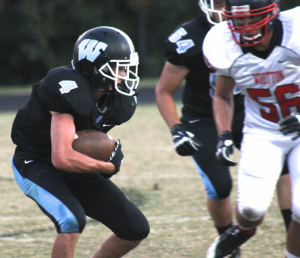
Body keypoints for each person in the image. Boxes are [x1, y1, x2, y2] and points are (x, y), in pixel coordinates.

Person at [156, 0, 291, 257]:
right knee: (219, 186)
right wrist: (176, 129)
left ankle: (292, 235)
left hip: (249, 110)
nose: (222, 7)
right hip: (203, 117)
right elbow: (163, 90)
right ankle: (229, 245)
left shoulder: (268, 29)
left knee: (285, 170)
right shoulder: (189, 38)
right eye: (217, 2)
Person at [11, 26, 150, 258]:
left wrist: (100, 157)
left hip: (74, 166)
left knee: (135, 228)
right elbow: (63, 157)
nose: (124, 75)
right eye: (118, 68)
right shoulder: (68, 87)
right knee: (71, 221)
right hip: (36, 162)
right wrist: (108, 166)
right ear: (94, 68)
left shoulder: (117, 101)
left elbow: (85, 142)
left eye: (126, 69)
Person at [203, 1, 300, 257]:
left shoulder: (295, 32)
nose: (244, 27)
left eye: (250, 19)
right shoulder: (222, 43)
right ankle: (243, 231)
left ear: (271, 15)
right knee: (251, 210)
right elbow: (222, 96)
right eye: (239, 20)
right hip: (263, 132)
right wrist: (224, 134)